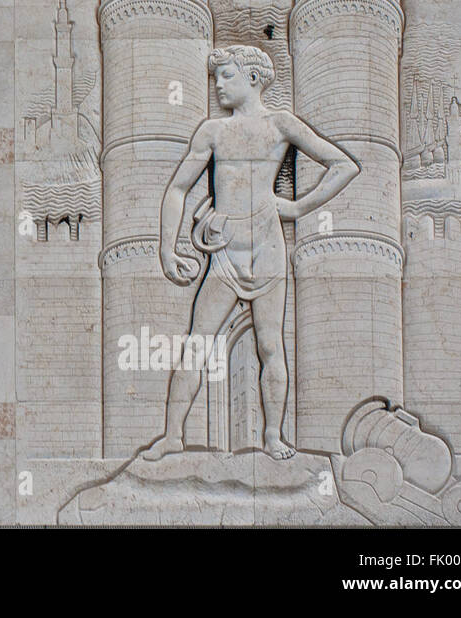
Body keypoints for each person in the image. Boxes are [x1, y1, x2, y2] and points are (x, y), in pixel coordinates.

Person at [143, 45, 359, 461]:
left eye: (227, 76)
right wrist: (166, 249)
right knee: (197, 345)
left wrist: (297, 208)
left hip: (267, 250)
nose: (218, 85)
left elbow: (344, 165)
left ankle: (274, 436)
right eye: (216, 77)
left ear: (254, 78)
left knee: (270, 345)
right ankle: (172, 436)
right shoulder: (211, 131)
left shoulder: (281, 124)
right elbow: (176, 189)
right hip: (225, 254)